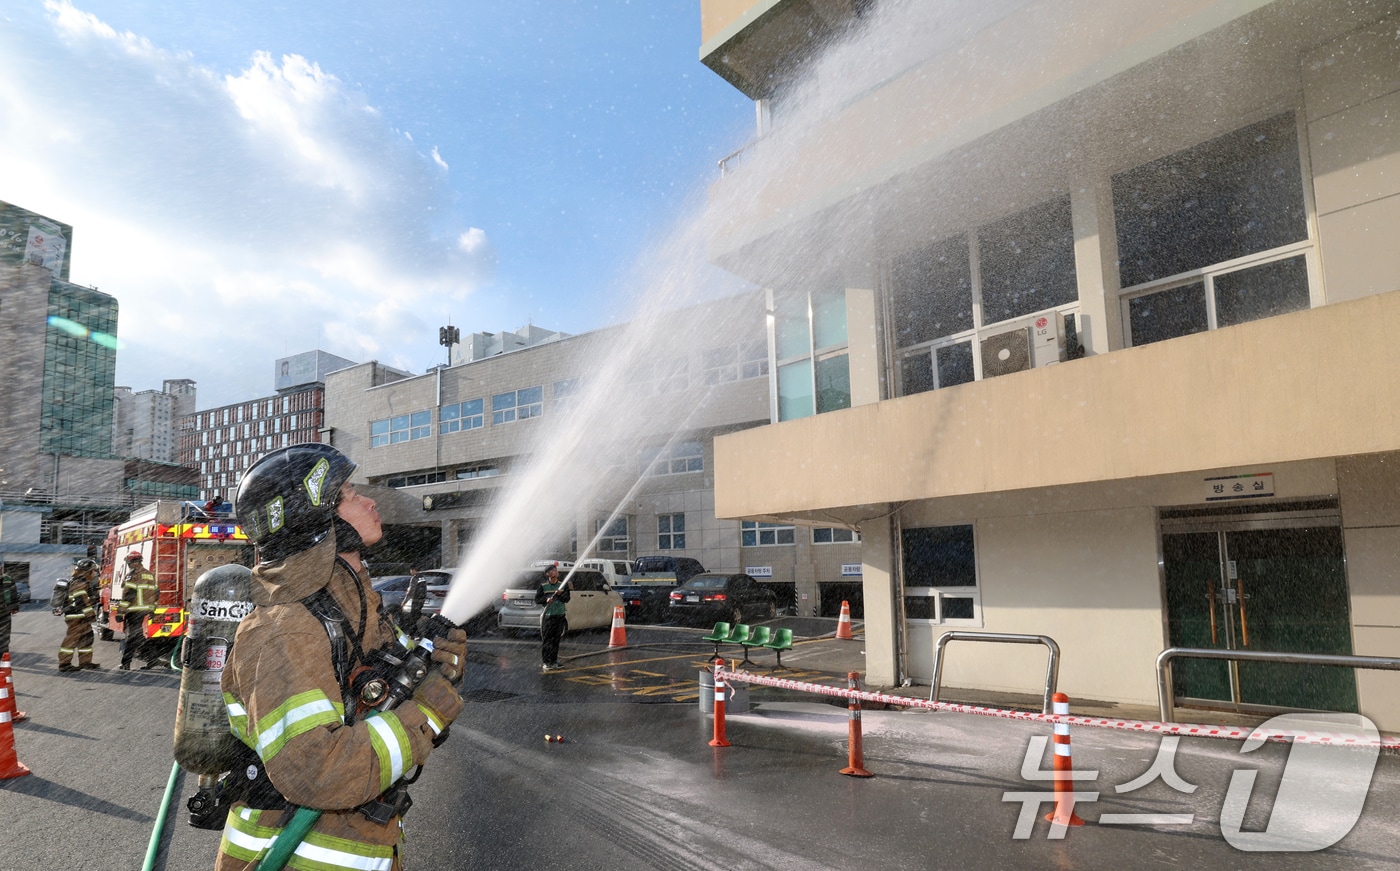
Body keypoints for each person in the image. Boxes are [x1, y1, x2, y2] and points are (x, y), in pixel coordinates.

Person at [215, 444, 466, 871]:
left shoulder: (351, 606)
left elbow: (376, 691)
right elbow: (318, 770)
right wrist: (425, 714)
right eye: (349, 495)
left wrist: (433, 662)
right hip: (288, 856)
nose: (369, 501)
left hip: (359, 846)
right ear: (313, 519)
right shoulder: (285, 629)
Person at [56, 559, 101, 672]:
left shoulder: (79, 582)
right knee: (71, 640)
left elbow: (85, 599)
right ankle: (64, 664)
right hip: (77, 616)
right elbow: (81, 601)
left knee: (86, 639)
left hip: (80, 616)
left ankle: (85, 662)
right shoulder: (80, 583)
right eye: (93, 571)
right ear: (87, 571)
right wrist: (90, 615)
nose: (94, 574)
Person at [117, 551, 159, 670]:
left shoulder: (132, 575)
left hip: (134, 611)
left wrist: (121, 611)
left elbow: (128, 595)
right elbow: (156, 593)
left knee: (132, 637)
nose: (129, 565)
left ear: (135, 562)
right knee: (138, 636)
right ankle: (152, 659)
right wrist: (152, 609)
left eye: (129, 563)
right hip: (144, 610)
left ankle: (126, 663)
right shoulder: (149, 575)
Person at [534, 564, 570, 671]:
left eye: (555, 570)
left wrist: (559, 594)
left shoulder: (562, 585)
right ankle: (546, 662)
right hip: (548, 617)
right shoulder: (543, 586)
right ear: (548, 574)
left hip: (559, 615)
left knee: (556, 640)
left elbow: (567, 599)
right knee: (547, 640)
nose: (556, 572)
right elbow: (537, 599)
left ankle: (554, 661)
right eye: (553, 570)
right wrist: (546, 600)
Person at [0, 566, 19, 657]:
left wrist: (15, 607)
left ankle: (3, 655)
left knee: (5, 636)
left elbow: (14, 593)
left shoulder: (8, 579)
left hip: (4, 612)